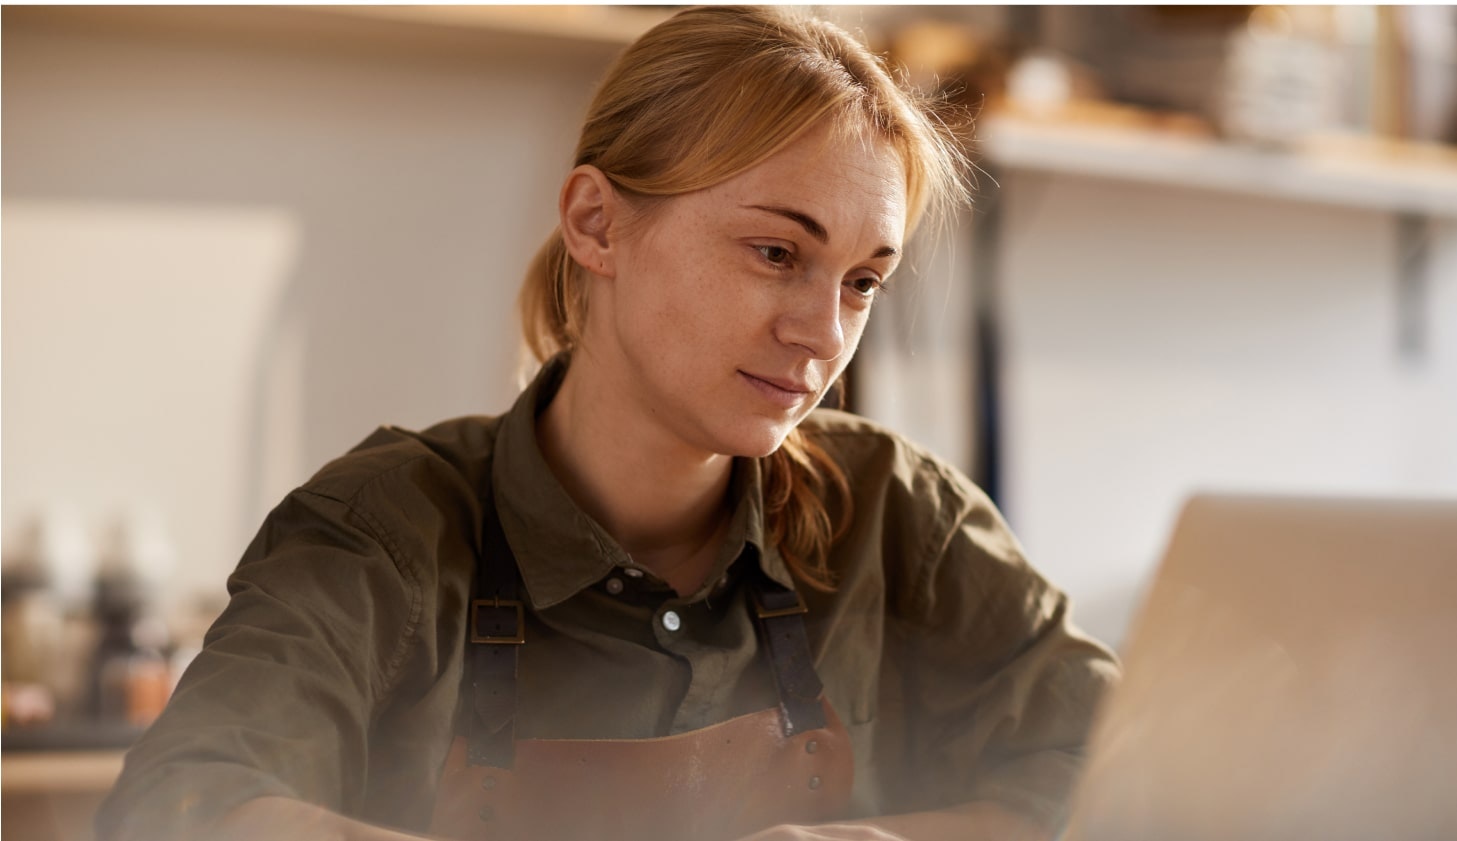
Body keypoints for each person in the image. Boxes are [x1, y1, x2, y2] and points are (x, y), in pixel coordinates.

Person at [97, 6, 1118, 841]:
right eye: (773, 253)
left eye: (860, 282)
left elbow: (1136, 763)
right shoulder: (384, 529)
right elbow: (177, 799)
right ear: (595, 222)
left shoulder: (895, 516)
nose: (821, 333)